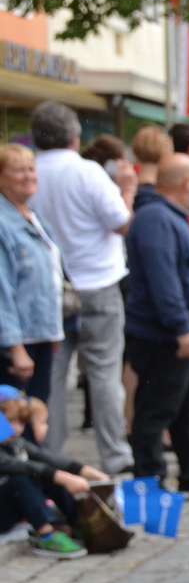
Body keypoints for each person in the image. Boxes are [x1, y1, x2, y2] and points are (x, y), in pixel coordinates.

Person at [30, 101, 136, 475]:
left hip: (51, 286)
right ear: (74, 135)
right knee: (104, 373)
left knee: (54, 376)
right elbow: (122, 223)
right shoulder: (87, 172)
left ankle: (51, 452)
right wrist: (127, 190)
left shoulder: (29, 172)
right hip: (98, 282)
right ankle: (115, 454)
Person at [124, 154, 189, 498]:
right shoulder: (156, 218)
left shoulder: (174, 217)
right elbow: (163, 279)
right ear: (188, 181)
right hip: (166, 337)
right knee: (156, 411)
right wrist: (182, 325)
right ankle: (150, 483)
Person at [0, 386, 104, 558]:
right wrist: (63, 477)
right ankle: (47, 535)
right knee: (22, 478)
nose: (17, 429)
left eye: (21, 423)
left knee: (49, 476)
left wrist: (91, 473)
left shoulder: (14, 442)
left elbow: (46, 457)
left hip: (12, 509)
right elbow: (25, 467)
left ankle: (78, 523)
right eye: (10, 422)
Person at [0, 145, 66, 404]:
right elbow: (2, 290)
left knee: (36, 412)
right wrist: (15, 348)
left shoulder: (34, 217)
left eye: (31, 169)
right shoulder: (4, 223)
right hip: (17, 341)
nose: (28, 175)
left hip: (40, 334)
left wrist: (54, 331)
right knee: (14, 419)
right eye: (18, 171)